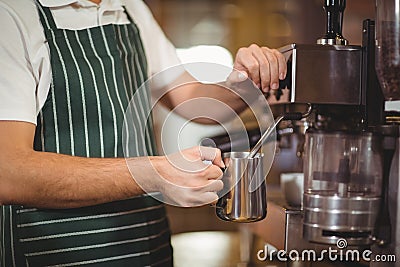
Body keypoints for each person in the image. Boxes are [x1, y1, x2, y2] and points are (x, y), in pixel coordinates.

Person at [0, 0, 287, 266]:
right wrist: (156, 173)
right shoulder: (12, 15)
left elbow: (190, 98)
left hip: (150, 248)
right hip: (60, 254)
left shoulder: (130, 8)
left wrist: (243, 83)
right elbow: (8, 173)